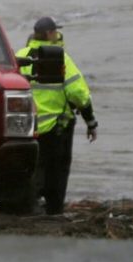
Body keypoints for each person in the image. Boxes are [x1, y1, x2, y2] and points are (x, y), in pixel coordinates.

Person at [14, 16, 97, 215]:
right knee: (57, 173)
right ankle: (54, 210)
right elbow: (78, 93)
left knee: (28, 170)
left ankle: (25, 207)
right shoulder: (61, 58)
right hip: (56, 128)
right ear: (50, 34)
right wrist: (90, 120)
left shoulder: (20, 56)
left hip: (24, 127)